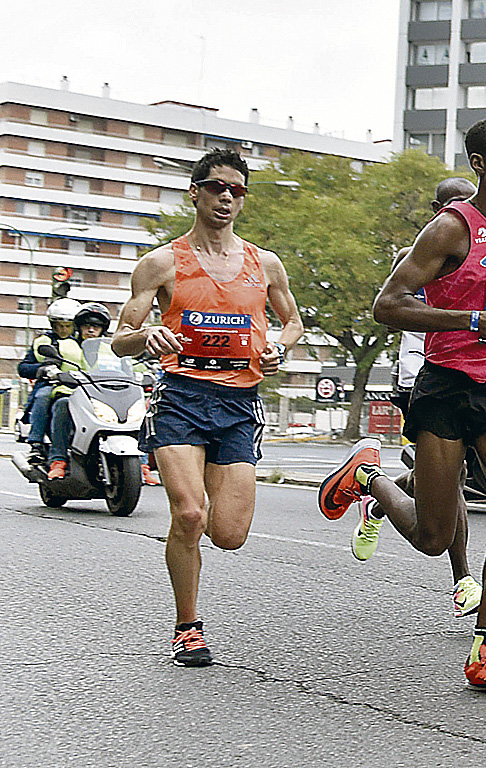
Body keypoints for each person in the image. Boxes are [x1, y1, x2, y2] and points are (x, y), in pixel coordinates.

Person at [318, 117, 486, 699]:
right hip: (444, 385)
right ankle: (371, 478)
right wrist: (469, 321)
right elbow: (387, 304)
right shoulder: (449, 229)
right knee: (435, 536)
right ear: (480, 164)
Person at [111, 149, 303, 667]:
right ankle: (187, 627)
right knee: (190, 513)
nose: (227, 198)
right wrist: (147, 333)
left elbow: (293, 322)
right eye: (217, 187)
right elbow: (120, 340)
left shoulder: (264, 263)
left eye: (237, 191)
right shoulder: (161, 263)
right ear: (195, 192)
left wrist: (279, 348)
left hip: (240, 401)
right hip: (181, 398)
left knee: (230, 534)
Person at [352, 177, 483, 619]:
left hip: (472, 379)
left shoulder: (480, 251)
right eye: (453, 206)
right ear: (435, 209)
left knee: (442, 484)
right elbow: (392, 308)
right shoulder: (419, 257)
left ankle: (376, 491)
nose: (464, 214)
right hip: (423, 379)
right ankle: (463, 577)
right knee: (454, 479)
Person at [46, 302, 111, 480]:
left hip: (103, 396)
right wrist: (51, 369)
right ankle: (58, 460)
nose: (91, 329)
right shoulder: (65, 345)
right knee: (62, 405)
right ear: (79, 327)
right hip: (70, 392)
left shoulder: (112, 350)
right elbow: (51, 362)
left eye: (96, 326)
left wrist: (145, 373)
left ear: (102, 329)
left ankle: (142, 463)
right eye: (86, 325)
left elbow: (132, 368)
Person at [18, 297, 82, 466]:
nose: (63, 329)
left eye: (67, 325)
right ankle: (36, 443)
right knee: (42, 396)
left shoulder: (84, 342)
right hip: (52, 384)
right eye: (58, 325)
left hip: (83, 386)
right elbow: (23, 367)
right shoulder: (43, 341)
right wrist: (41, 370)